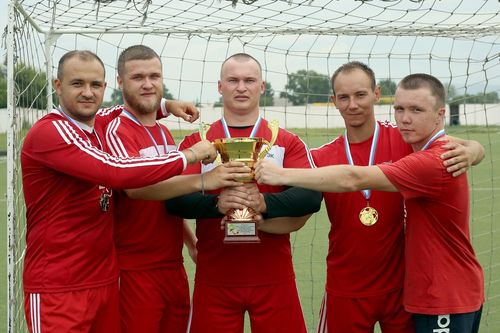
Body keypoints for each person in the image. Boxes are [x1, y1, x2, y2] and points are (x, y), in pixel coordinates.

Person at [254, 73, 484, 333]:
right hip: (346, 288)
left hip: (405, 288)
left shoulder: (409, 140)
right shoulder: (321, 157)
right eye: (344, 97)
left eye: (360, 95)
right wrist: (256, 222)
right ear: (334, 101)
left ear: (376, 94)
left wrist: (473, 149)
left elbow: (353, 178)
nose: (353, 104)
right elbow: (301, 214)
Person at [20, 50, 222, 333]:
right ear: (58, 86)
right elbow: (117, 172)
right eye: (77, 84)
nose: (87, 93)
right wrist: (190, 157)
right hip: (58, 284)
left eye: (95, 85)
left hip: (103, 279)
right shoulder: (52, 132)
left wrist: (166, 105)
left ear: (106, 87)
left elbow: (127, 109)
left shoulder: (97, 126)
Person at [165, 53, 323, 333]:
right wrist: (216, 204)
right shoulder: (198, 143)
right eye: (233, 80)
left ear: (262, 86)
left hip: (274, 278)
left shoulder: (286, 141)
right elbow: (173, 200)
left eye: (249, 80)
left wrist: (264, 203)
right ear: (219, 86)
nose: (241, 87)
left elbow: (311, 196)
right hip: (215, 279)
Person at [104, 45, 249, 333]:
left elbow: (167, 194)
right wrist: (208, 180)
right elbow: (136, 188)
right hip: (134, 269)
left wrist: (190, 240)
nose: (148, 84)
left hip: (173, 266)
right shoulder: (117, 130)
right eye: (137, 77)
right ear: (120, 82)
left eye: (154, 76)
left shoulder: (162, 131)